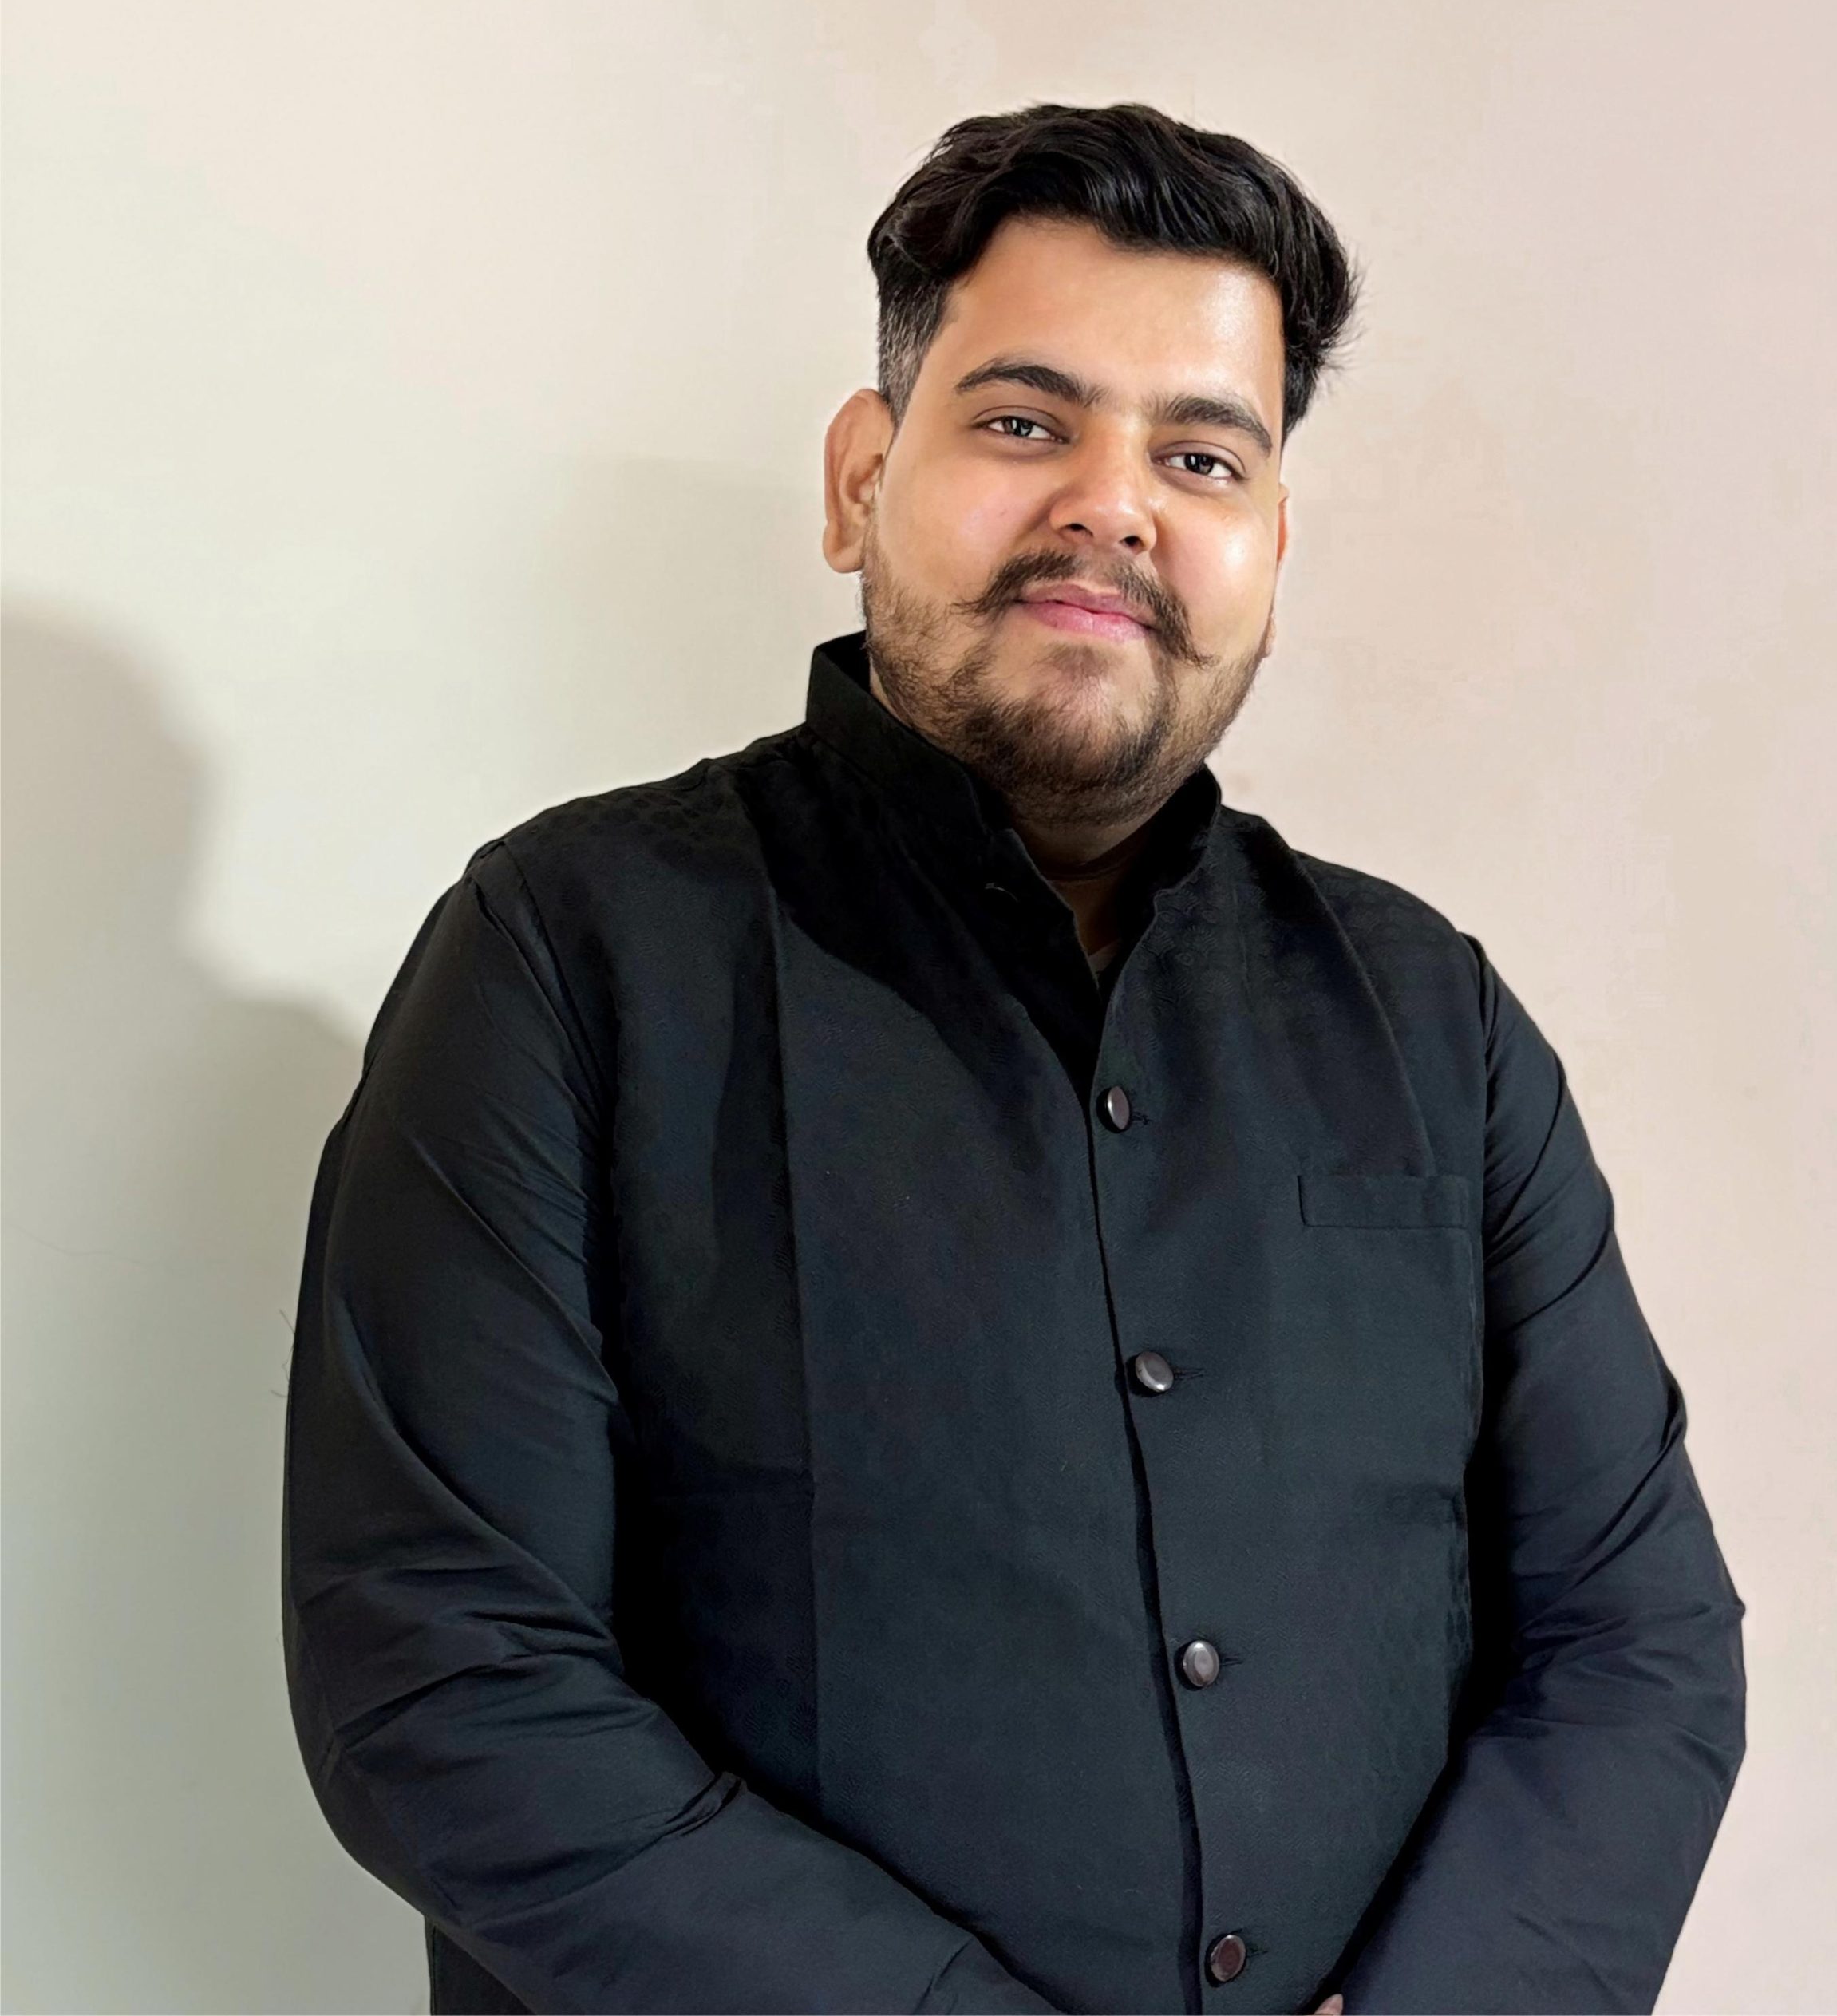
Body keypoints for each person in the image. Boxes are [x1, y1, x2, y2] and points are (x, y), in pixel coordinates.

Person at [281, 101, 1746, 2016]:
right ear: (857, 481)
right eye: (1023, 420)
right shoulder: (563, 960)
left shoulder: (1432, 1021)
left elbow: (1636, 1634)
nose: (1111, 506)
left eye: (1199, 454)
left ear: (1267, 547)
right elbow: (444, 1675)